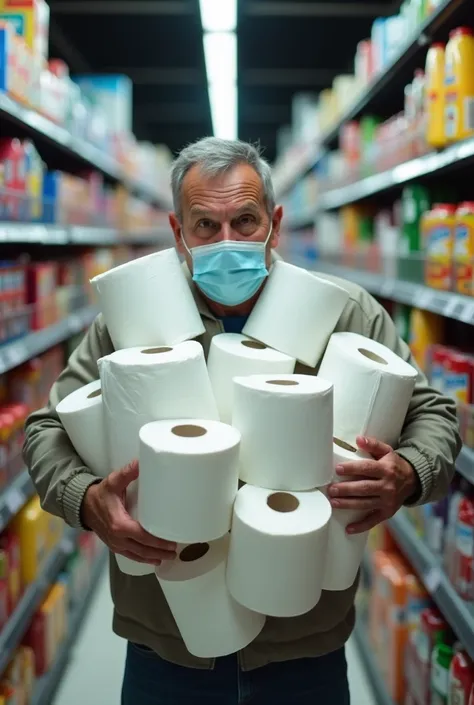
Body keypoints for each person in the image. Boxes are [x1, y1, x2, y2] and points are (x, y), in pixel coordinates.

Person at [24, 137, 461, 705]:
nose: (226, 242)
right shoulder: (133, 322)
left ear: (275, 223)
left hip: (303, 645)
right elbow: (46, 429)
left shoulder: (344, 313)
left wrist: (409, 469)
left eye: (245, 221)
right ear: (178, 233)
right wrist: (86, 500)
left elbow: (434, 412)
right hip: (168, 643)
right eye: (205, 226)